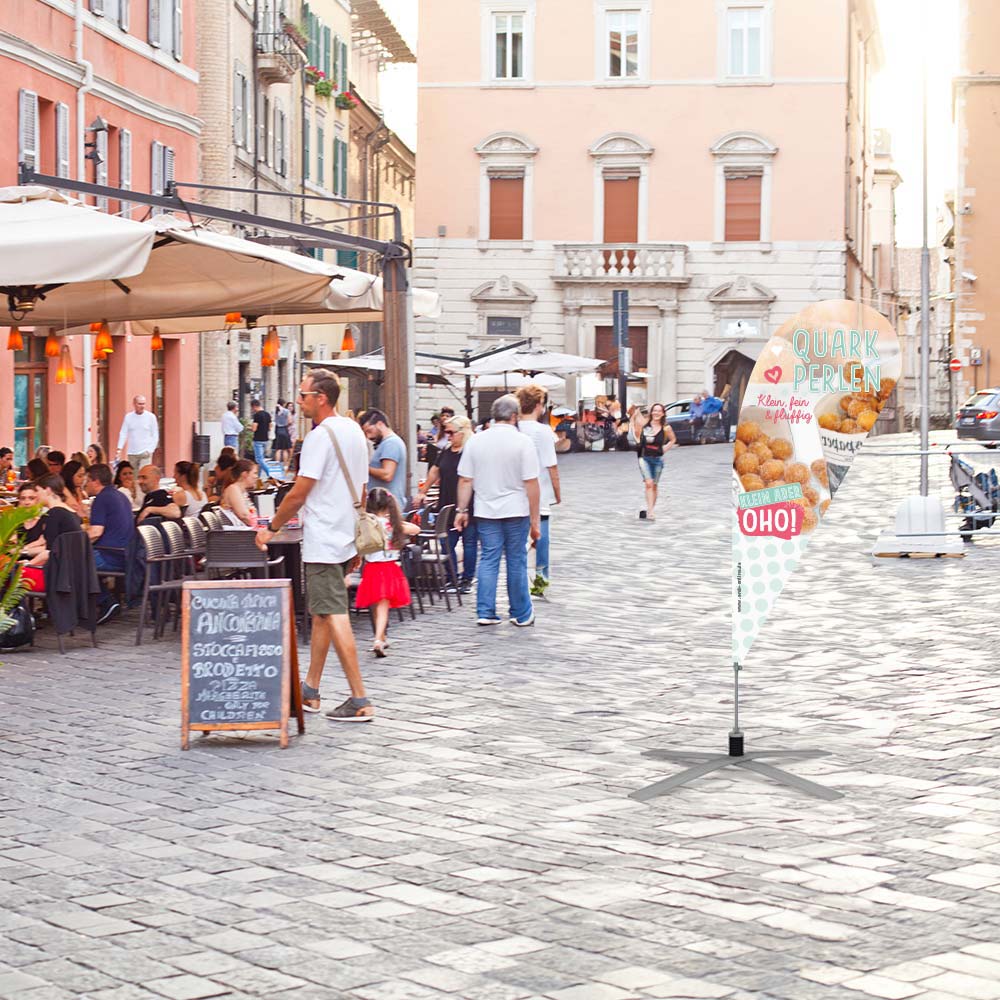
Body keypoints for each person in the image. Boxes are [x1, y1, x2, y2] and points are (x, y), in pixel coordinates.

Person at [255, 368, 373, 722]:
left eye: (303, 395)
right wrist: (355, 539)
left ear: (320, 398)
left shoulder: (321, 437)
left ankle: (359, 698)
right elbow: (362, 489)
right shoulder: (353, 430)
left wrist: (271, 528)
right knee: (323, 612)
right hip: (344, 533)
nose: (299, 401)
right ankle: (311, 689)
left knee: (334, 613)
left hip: (324, 536)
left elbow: (301, 490)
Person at [455, 395, 541, 628]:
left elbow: (465, 480)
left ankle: (486, 611)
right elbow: (532, 483)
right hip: (516, 509)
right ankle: (521, 613)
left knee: (489, 559)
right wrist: (535, 519)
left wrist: (461, 509)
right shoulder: (523, 442)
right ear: (514, 416)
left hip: (486, 509)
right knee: (516, 560)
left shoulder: (476, 440)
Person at [414, 415, 477, 594]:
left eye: (451, 432)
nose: (447, 435)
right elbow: (435, 471)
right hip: (447, 504)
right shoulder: (447, 450)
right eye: (446, 432)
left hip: (469, 504)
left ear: (463, 432)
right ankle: (452, 578)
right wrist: (423, 491)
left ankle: (467, 580)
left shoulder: (471, 451)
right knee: (446, 542)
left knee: (469, 542)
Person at [355, 487, 420, 657]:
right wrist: (398, 521)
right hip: (389, 568)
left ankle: (381, 636)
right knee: (383, 607)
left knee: (376, 606)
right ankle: (378, 639)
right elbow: (415, 529)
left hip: (371, 569)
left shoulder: (366, 523)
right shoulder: (391, 524)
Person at [515, 384, 561, 598]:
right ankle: (540, 583)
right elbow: (551, 466)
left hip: (514, 494)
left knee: (517, 544)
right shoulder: (543, 431)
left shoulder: (513, 427)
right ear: (539, 404)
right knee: (541, 541)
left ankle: (519, 581)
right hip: (539, 494)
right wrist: (557, 493)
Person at [85, 463, 135, 623]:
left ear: (96, 481)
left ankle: (105, 601)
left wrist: (72, 542)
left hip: (111, 555)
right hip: (127, 553)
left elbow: (95, 532)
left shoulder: (101, 498)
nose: (86, 484)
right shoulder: (120, 496)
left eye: (88, 480)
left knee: (74, 560)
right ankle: (106, 600)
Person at [19, 475, 82, 593]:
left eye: (38, 491)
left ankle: (18, 610)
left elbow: (50, 552)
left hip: (57, 576)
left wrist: (28, 563)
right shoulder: (70, 512)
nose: (37, 496)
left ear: (47, 490)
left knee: (9, 573)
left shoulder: (54, 514)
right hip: (72, 573)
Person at [629, 403, 677, 521]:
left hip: (658, 459)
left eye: (659, 411)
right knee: (649, 483)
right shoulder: (645, 424)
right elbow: (635, 425)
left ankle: (650, 509)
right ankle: (650, 512)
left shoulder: (666, 428)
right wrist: (634, 412)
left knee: (654, 485)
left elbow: (673, 439)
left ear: (663, 413)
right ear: (651, 412)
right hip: (644, 457)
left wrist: (665, 448)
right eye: (654, 411)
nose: (656, 413)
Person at [359, 409, 407, 511]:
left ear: (380, 424)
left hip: (386, 508)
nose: (368, 436)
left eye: (369, 431)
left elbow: (387, 474)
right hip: (384, 506)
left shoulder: (391, 444)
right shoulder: (388, 443)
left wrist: (363, 467)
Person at [117, 395, 159, 470]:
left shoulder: (151, 417)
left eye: (143, 404)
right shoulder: (129, 417)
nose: (142, 406)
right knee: (134, 477)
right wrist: (119, 448)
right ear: (134, 404)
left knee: (143, 474)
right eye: (140, 404)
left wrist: (150, 450)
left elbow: (155, 434)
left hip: (145, 452)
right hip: (132, 452)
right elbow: (123, 433)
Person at [221, 459, 258, 527]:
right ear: (245, 474)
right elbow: (244, 515)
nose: (256, 477)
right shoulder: (233, 489)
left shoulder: (241, 491)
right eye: (254, 473)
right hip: (238, 534)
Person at [250, 399, 271, 469]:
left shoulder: (257, 415)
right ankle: (258, 476)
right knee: (261, 460)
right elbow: (270, 427)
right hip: (266, 438)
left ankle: (270, 473)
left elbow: (254, 429)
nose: (253, 410)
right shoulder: (268, 414)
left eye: (252, 408)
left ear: (254, 406)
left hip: (258, 439)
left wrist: (248, 427)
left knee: (259, 459)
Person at [274, 400, 293, 466]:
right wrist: (286, 424)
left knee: (278, 449)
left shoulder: (275, 411)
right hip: (284, 429)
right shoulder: (286, 411)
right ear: (284, 404)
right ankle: (285, 465)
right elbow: (290, 421)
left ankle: (277, 464)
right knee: (285, 449)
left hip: (277, 429)